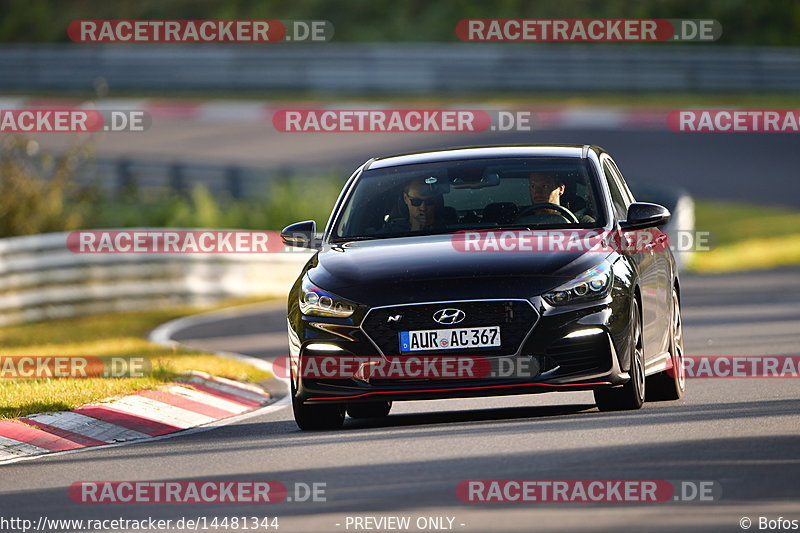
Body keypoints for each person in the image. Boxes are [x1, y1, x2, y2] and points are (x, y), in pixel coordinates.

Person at [380, 178, 445, 233]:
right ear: (405, 198)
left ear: (436, 201)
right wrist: (414, 230)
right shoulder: (390, 233)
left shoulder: (451, 227)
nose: (423, 208)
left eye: (429, 201)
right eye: (416, 201)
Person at [527, 172, 595, 223]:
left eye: (545, 186)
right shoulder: (518, 223)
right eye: (533, 186)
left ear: (561, 189)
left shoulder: (583, 224)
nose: (537, 192)